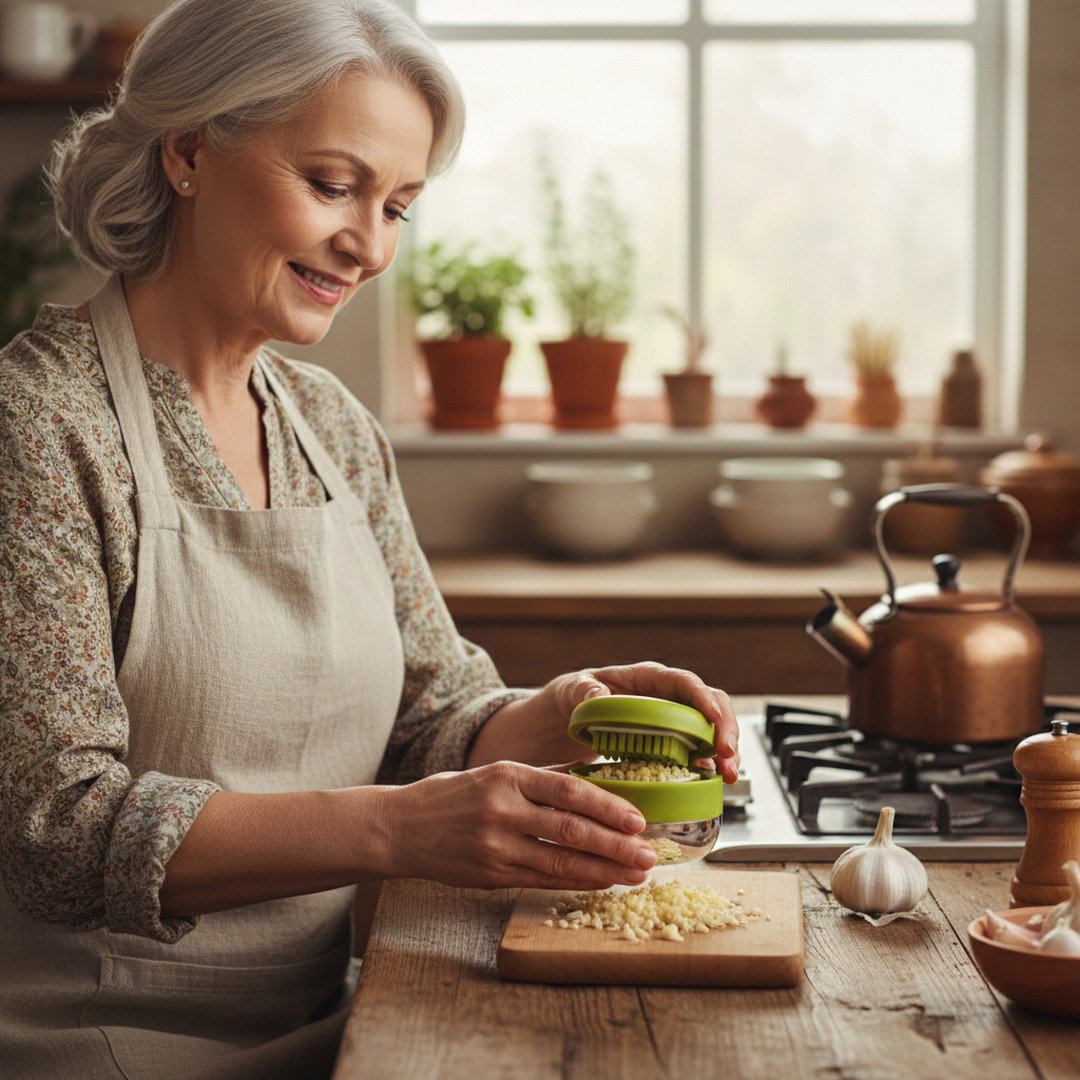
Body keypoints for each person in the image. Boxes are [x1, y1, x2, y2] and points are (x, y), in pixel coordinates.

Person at [0, 1, 739, 1077]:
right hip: (99, 1048)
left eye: (399, 206)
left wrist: (561, 714)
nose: (370, 244)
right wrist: (399, 831)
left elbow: (435, 720)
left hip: (337, 1024)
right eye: (332, 185)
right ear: (191, 151)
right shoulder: (37, 425)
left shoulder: (332, 429)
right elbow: (54, 831)